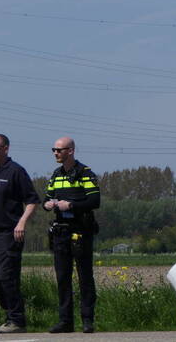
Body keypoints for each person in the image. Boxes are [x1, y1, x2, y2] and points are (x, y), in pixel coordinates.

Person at [0, 134, 39, 335]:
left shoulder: (16, 171)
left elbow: (32, 201)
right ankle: (12, 316)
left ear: (5, 148)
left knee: (7, 276)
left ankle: (16, 320)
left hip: (9, 233)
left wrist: (22, 222)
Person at [43, 137, 100, 334]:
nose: (55, 153)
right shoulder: (56, 174)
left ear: (71, 151)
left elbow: (95, 200)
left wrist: (72, 205)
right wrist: (47, 204)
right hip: (60, 231)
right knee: (62, 277)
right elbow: (47, 198)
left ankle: (87, 320)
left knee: (84, 276)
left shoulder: (85, 173)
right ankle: (65, 321)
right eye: (54, 150)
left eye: (59, 150)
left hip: (81, 231)